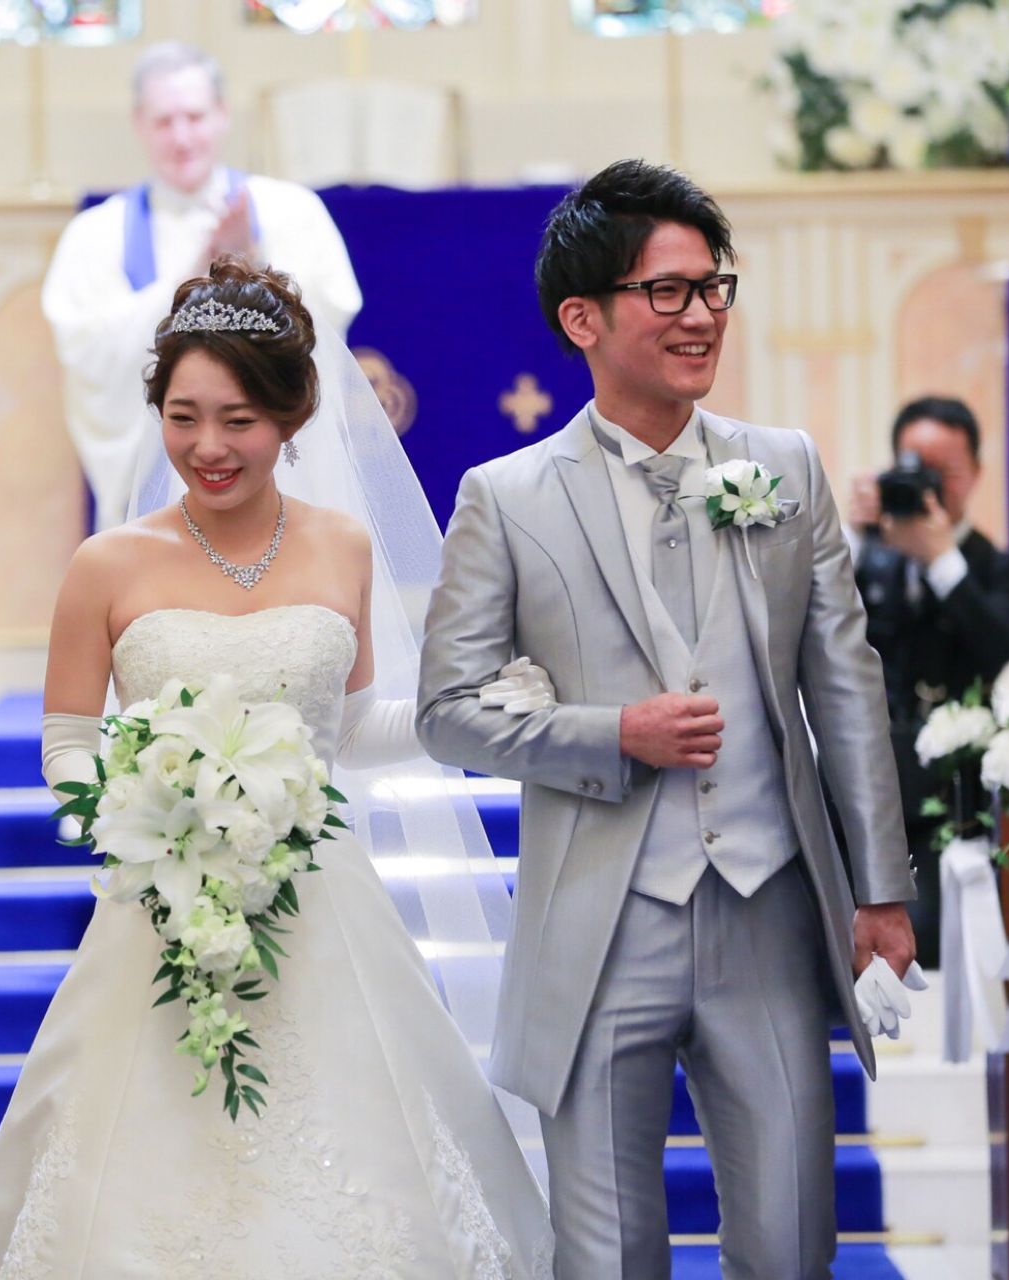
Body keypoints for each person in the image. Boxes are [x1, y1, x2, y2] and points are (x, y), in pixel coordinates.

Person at [0, 259, 552, 1277]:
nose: (208, 447)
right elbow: (68, 739)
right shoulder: (106, 563)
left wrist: (473, 706)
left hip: (320, 904)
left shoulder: (342, 545)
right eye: (183, 418)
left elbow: (349, 727)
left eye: (239, 419)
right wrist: (141, 816)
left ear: (291, 415)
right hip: (163, 904)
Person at [416, 159, 917, 1280]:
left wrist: (880, 889)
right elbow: (446, 711)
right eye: (668, 292)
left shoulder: (782, 468)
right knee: (608, 1256)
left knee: (792, 1242)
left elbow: (846, 684)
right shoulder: (507, 497)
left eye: (713, 288)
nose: (701, 316)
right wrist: (610, 734)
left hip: (766, 907)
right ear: (582, 318)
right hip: (598, 924)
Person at [42, 41, 363, 529]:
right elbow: (87, 354)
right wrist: (194, 273)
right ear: (139, 124)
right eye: (164, 121)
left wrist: (252, 266)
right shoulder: (94, 235)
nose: (181, 137)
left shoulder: (292, 210)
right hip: (155, 499)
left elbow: (328, 326)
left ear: (222, 114)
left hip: (288, 484)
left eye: (194, 117)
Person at [846, 396, 1009, 967]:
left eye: (943, 472)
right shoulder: (869, 556)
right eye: (915, 470)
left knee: (933, 945)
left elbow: (1000, 645)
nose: (927, 487)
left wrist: (940, 559)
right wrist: (848, 537)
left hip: (954, 802)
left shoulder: (999, 567)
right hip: (870, 790)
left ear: (975, 472)